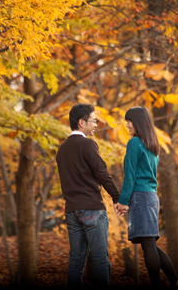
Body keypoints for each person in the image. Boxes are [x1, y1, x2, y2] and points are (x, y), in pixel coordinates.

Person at [115, 106, 178, 289]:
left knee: (148, 245)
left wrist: (123, 202)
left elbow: (130, 176)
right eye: (126, 121)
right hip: (151, 197)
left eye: (129, 121)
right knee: (149, 244)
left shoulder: (135, 143)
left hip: (140, 197)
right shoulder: (152, 145)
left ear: (138, 122)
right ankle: (175, 282)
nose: (127, 124)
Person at [56, 103, 121, 287]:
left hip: (72, 211)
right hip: (92, 208)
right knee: (100, 259)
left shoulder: (62, 150)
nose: (95, 125)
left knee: (76, 261)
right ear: (81, 122)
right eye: (93, 121)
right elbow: (102, 173)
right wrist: (117, 197)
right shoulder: (87, 144)